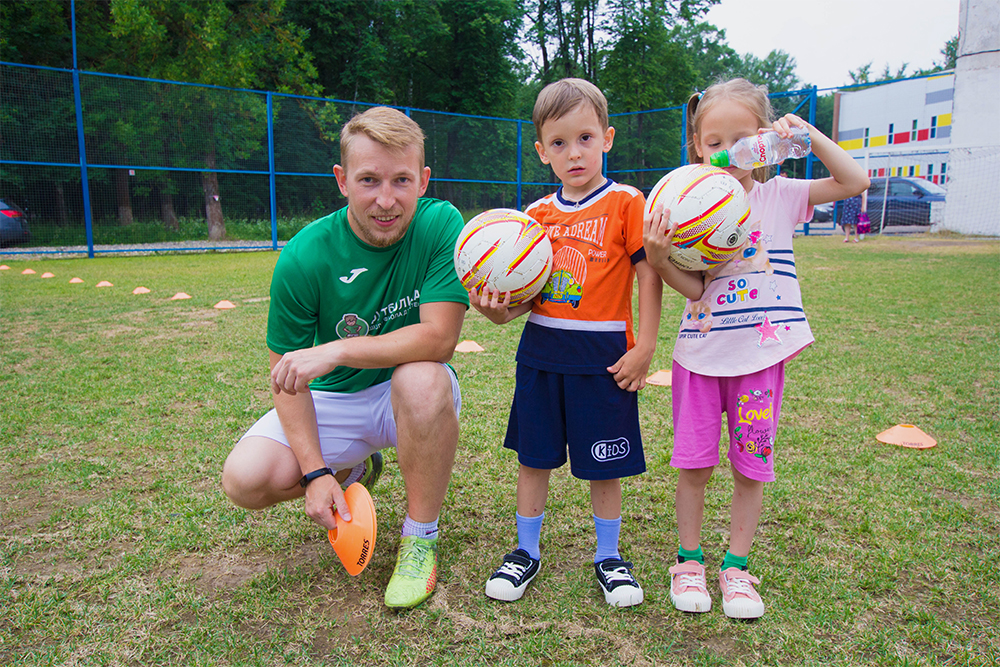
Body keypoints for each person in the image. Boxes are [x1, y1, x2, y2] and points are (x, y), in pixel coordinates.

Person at [221, 106, 470, 610]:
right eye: (368, 180)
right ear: (341, 180)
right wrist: (314, 473)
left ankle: (420, 539)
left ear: (423, 180)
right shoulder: (305, 255)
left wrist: (336, 349)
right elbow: (286, 378)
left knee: (423, 379)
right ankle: (348, 471)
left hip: (406, 391)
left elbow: (439, 339)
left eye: (401, 180)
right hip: (336, 401)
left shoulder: (442, 224)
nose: (386, 199)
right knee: (245, 480)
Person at [643, 79, 869, 619]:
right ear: (697, 145)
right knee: (693, 466)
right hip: (699, 360)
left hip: (759, 364)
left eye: (743, 138)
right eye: (713, 139)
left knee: (751, 468)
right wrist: (659, 258)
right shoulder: (684, 208)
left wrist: (806, 134)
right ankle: (689, 562)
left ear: (765, 139)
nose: (727, 151)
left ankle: (737, 569)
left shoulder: (780, 196)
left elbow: (854, 180)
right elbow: (698, 291)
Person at [470, 78, 663, 607]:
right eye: (558, 143)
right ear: (541, 151)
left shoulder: (627, 203)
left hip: (604, 359)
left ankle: (608, 557)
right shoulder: (532, 218)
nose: (573, 152)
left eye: (584, 138)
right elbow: (521, 300)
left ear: (608, 137)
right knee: (533, 458)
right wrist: (497, 310)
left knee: (606, 463)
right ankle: (525, 552)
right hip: (540, 356)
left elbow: (649, 276)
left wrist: (645, 345)